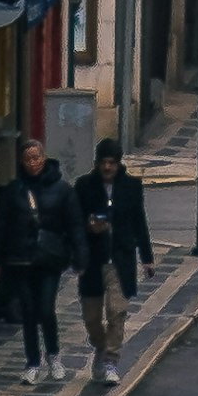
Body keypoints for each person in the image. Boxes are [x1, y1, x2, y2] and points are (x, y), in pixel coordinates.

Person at [0, 136, 78, 389]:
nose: (33, 163)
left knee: (46, 309)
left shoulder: (62, 190)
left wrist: (78, 255)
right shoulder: (14, 191)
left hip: (49, 259)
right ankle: (32, 362)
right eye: (28, 159)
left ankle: (54, 355)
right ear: (21, 161)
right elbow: (1, 226)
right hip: (21, 259)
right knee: (28, 311)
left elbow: (73, 225)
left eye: (36, 157)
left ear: (44, 158)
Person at [67, 144, 152, 376]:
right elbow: (73, 223)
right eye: (103, 162)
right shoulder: (84, 186)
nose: (107, 167)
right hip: (92, 260)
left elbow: (139, 222)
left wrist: (147, 257)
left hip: (120, 258)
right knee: (91, 317)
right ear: (97, 163)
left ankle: (111, 360)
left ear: (118, 163)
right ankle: (100, 346)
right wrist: (88, 227)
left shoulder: (131, 187)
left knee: (117, 310)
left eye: (111, 163)